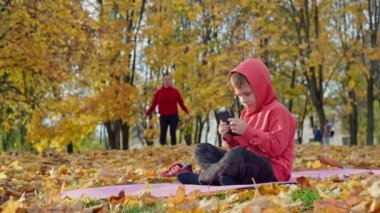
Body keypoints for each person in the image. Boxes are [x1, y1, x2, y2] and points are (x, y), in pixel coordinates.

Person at [178, 58, 296, 185]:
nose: (243, 100)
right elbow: (238, 148)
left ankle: (202, 178)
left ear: (261, 88)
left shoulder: (278, 112)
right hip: (247, 167)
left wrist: (247, 131)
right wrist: (229, 137)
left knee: (238, 155)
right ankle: (226, 177)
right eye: (239, 96)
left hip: (273, 170)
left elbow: (276, 148)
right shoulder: (246, 113)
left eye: (247, 94)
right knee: (202, 149)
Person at [145, 73, 189, 146]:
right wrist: (147, 113)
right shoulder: (159, 93)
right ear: (163, 81)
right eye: (165, 79)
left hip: (174, 116)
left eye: (168, 79)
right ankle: (162, 150)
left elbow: (181, 103)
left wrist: (187, 111)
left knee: (172, 132)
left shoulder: (175, 92)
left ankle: (174, 149)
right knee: (163, 133)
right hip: (163, 116)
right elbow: (153, 105)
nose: (167, 81)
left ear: (171, 81)